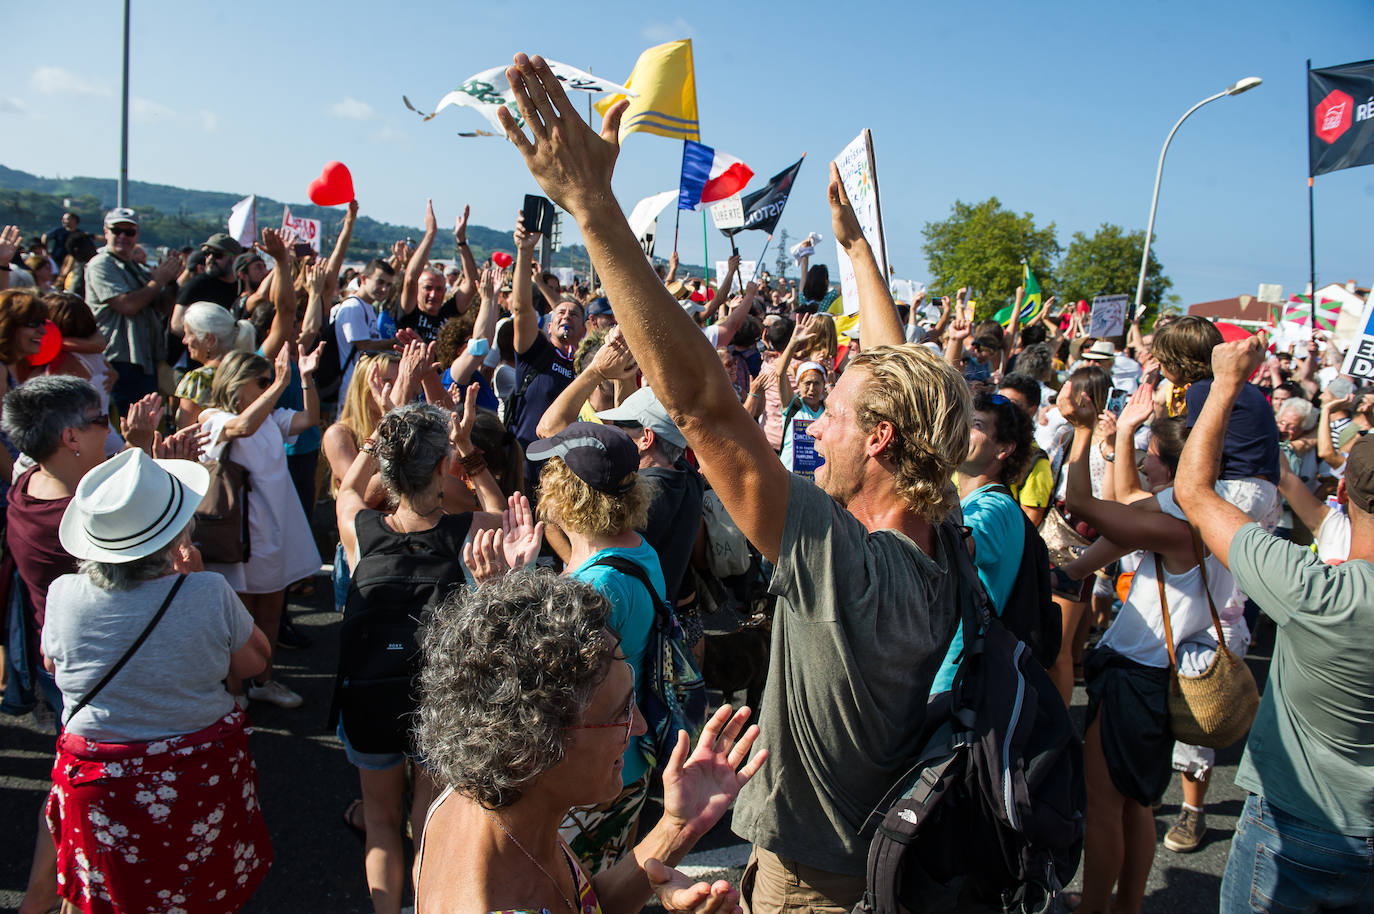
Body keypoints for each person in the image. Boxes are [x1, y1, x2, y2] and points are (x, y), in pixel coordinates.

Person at [497, 56, 968, 910]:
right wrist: (860, 254)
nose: (815, 425)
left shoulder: (847, 562)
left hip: (811, 885)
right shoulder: (947, 529)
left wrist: (593, 209)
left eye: (834, 412)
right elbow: (900, 386)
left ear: (885, 439)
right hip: (877, 860)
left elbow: (706, 410)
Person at [413, 567, 766, 914]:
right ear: (532, 747)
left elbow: (586, 902)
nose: (640, 727)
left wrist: (679, 826)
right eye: (621, 712)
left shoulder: (481, 798)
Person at [1176, 335, 1374, 914]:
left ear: (1340, 492)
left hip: (1297, 832)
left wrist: (1226, 385)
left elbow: (1192, 492)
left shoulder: (1316, 591)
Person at [42, 447, 273, 914]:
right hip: (197, 775)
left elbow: (53, 665)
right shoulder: (207, 591)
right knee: (202, 894)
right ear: (176, 532)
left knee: (110, 898)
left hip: (98, 784)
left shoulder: (63, 595)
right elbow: (255, 662)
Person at [333, 398, 505, 914]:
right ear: (440, 468)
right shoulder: (469, 531)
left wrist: (374, 438)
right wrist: (468, 451)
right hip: (435, 701)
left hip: (366, 698)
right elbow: (507, 511)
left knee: (381, 824)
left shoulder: (358, 528)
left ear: (386, 468)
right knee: (426, 820)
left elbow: (346, 490)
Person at [525, 421, 668, 873]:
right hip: (628, 760)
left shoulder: (596, 586)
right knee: (610, 879)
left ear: (567, 493)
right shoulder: (636, 551)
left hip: (592, 770)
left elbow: (544, 685)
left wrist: (503, 584)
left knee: (573, 887)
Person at [198, 346, 322, 708]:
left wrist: (305, 379)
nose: (271, 386)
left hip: (275, 528)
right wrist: (280, 381)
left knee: (270, 611)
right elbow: (242, 426)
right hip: (238, 534)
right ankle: (235, 689)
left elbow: (309, 418)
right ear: (238, 382)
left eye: (271, 380)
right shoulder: (214, 417)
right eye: (263, 381)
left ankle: (264, 680)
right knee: (239, 617)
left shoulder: (271, 418)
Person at [931, 390, 1034, 693]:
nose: (961, 431)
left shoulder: (994, 508)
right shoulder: (970, 498)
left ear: (1004, 449)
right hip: (945, 667)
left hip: (951, 678)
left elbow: (953, 547)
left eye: (975, 424)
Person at [83, 208, 184, 413]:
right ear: (106, 232)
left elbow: (163, 307)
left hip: (143, 359)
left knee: (147, 422)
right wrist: (158, 281)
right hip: (118, 358)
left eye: (129, 232)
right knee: (124, 423)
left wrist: (172, 282)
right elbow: (127, 305)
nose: (123, 236)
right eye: (117, 230)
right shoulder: (101, 264)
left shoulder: (135, 267)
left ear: (137, 235)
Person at [173, 302, 255, 427]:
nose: (184, 340)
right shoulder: (250, 372)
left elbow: (185, 433)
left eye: (189, 334)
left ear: (209, 340)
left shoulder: (198, 379)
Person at [332, 259, 399, 399]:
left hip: (361, 384)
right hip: (350, 387)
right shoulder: (354, 307)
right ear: (363, 279)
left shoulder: (368, 306)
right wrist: (395, 342)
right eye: (380, 282)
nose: (384, 289)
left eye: (388, 285)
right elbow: (363, 345)